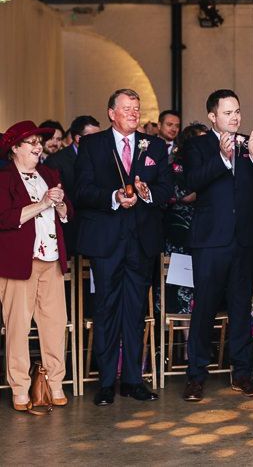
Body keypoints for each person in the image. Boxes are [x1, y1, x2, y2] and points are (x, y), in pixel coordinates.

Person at [74, 88, 173, 406]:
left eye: (137, 108)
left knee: (135, 311)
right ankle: (105, 382)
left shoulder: (155, 145)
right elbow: (82, 190)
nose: (133, 112)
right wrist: (114, 197)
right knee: (105, 310)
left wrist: (145, 193)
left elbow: (166, 187)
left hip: (141, 241)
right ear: (110, 113)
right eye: (126, 108)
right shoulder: (92, 145)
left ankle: (133, 379)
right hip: (106, 241)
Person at [181, 90, 253, 403]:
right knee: (204, 309)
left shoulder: (250, 144)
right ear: (212, 116)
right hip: (210, 241)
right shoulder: (197, 145)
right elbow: (192, 181)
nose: (235, 117)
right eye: (228, 112)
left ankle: (243, 373)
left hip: (245, 240)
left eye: (237, 111)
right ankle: (195, 376)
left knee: (240, 308)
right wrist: (222, 159)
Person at [0, 121, 73, 411]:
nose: (37, 146)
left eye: (38, 141)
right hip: (19, 263)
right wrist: (43, 203)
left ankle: (55, 383)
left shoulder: (48, 172)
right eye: (30, 142)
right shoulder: (4, 178)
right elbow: (4, 218)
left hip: (51, 259)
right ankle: (20, 388)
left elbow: (67, 212)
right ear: (15, 148)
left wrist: (61, 205)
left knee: (55, 325)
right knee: (17, 327)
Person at [162, 122, 208, 315]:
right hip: (180, 235)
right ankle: (186, 339)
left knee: (203, 288)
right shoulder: (177, 166)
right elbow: (183, 194)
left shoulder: (205, 166)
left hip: (202, 234)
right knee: (183, 288)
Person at [44, 115, 100, 255]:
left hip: (97, 226)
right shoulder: (56, 161)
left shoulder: (103, 158)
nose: (99, 141)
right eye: (94, 136)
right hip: (71, 226)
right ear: (78, 138)